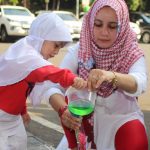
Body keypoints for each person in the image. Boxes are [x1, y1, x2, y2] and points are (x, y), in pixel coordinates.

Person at [47, 0, 149, 149]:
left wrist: (111, 76)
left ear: (123, 26)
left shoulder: (131, 52)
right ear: (90, 23)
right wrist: (63, 110)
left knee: (136, 139)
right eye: (98, 24)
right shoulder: (80, 50)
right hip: (83, 129)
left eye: (113, 26)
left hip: (121, 123)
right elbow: (53, 86)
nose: (104, 32)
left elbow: (139, 82)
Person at [0, 13, 87, 150]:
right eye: (56, 45)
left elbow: (18, 89)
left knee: (20, 144)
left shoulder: (30, 55)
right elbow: (49, 72)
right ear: (41, 37)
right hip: (1, 118)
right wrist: (73, 79)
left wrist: (22, 111)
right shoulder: (25, 55)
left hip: (12, 119)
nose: (57, 52)